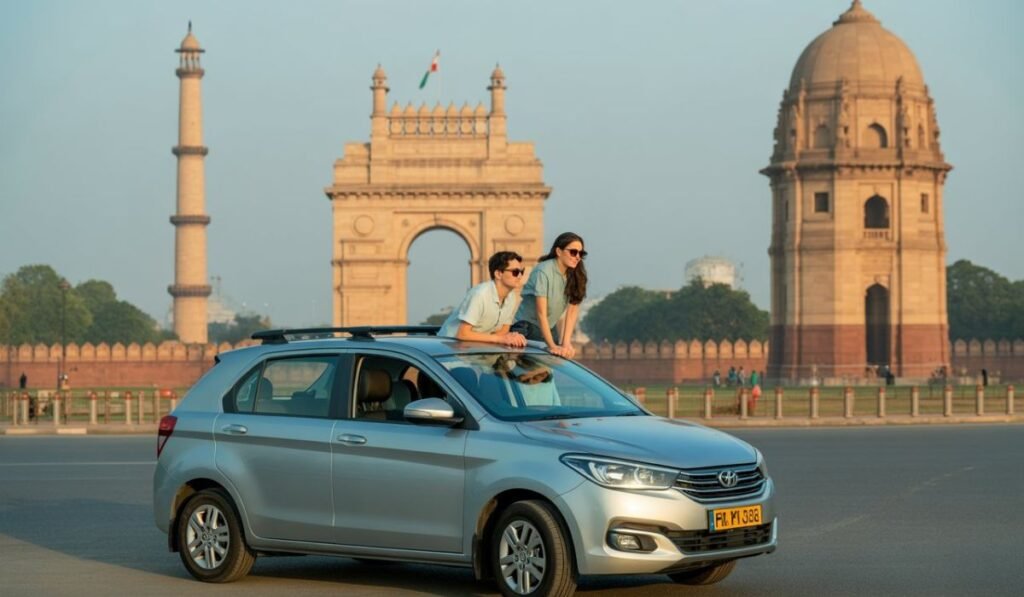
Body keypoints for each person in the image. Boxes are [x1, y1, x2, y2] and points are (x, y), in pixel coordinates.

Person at [511, 232, 588, 358]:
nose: (577, 257)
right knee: (531, 374)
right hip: (526, 328)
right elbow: (541, 313)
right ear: (558, 251)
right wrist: (552, 346)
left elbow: (573, 309)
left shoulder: (575, 275)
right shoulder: (543, 271)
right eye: (573, 252)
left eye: (581, 253)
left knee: (547, 373)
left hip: (549, 328)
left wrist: (566, 343)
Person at [438, 251, 527, 347]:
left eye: (522, 272)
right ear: (498, 274)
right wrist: (500, 339)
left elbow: (503, 331)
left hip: (476, 351)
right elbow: (462, 334)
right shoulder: (480, 295)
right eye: (515, 272)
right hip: (448, 352)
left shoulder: (511, 297)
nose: (520, 276)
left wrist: (510, 337)